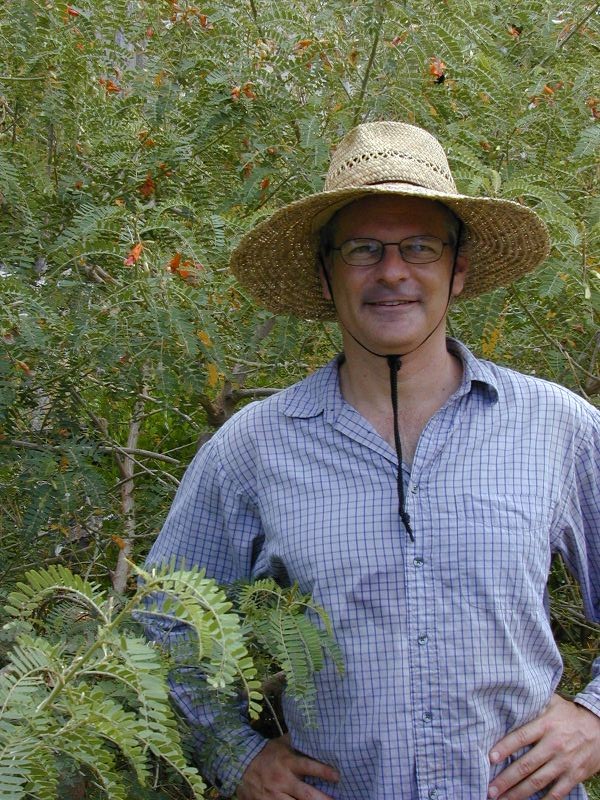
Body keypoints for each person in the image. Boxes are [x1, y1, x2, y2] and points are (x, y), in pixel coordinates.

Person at [144, 121, 600, 800]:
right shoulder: (253, 448)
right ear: (324, 275)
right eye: (362, 249)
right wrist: (235, 756)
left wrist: (594, 720)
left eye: (420, 246)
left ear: (458, 269)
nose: (392, 272)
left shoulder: (557, 428)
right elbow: (162, 624)